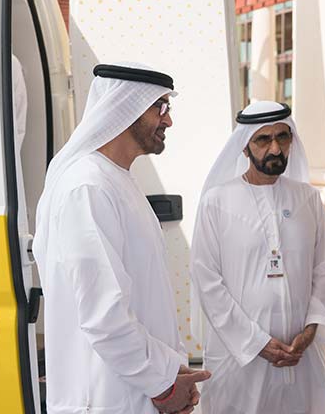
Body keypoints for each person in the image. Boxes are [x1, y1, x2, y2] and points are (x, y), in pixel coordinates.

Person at [33, 63, 210, 414]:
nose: (168, 120)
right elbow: (104, 316)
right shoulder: (87, 186)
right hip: (106, 398)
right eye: (159, 107)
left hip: (137, 389)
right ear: (126, 107)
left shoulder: (118, 181)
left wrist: (171, 374)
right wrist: (163, 386)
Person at [190, 100, 325, 414]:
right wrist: (256, 342)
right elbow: (207, 281)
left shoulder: (308, 199)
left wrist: (312, 328)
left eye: (282, 137)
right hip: (240, 358)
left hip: (301, 356)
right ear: (245, 147)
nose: (275, 148)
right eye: (263, 139)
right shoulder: (217, 202)